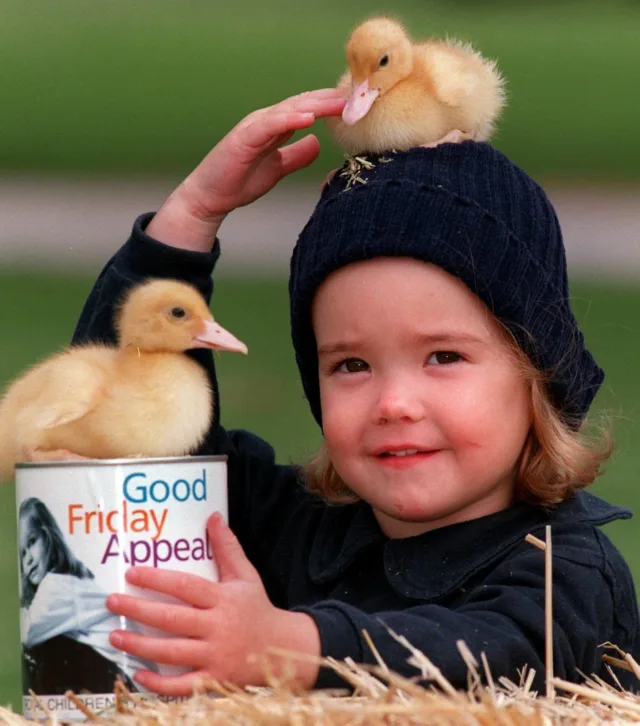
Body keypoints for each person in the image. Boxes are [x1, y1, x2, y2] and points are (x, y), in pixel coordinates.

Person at [51, 88, 639, 697]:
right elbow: (127, 429)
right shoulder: (290, 526)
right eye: (352, 364)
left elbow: (482, 660)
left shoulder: (565, 574)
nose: (393, 403)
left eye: (443, 356)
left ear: (536, 373)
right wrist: (189, 221)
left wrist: (289, 646)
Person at [19, 497, 154, 694]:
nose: (28, 559)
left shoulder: (56, 586)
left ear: (49, 536)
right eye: (22, 553)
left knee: (40, 648)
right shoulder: (73, 579)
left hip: (129, 685)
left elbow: (27, 632)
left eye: (31, 542)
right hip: (139, 682)